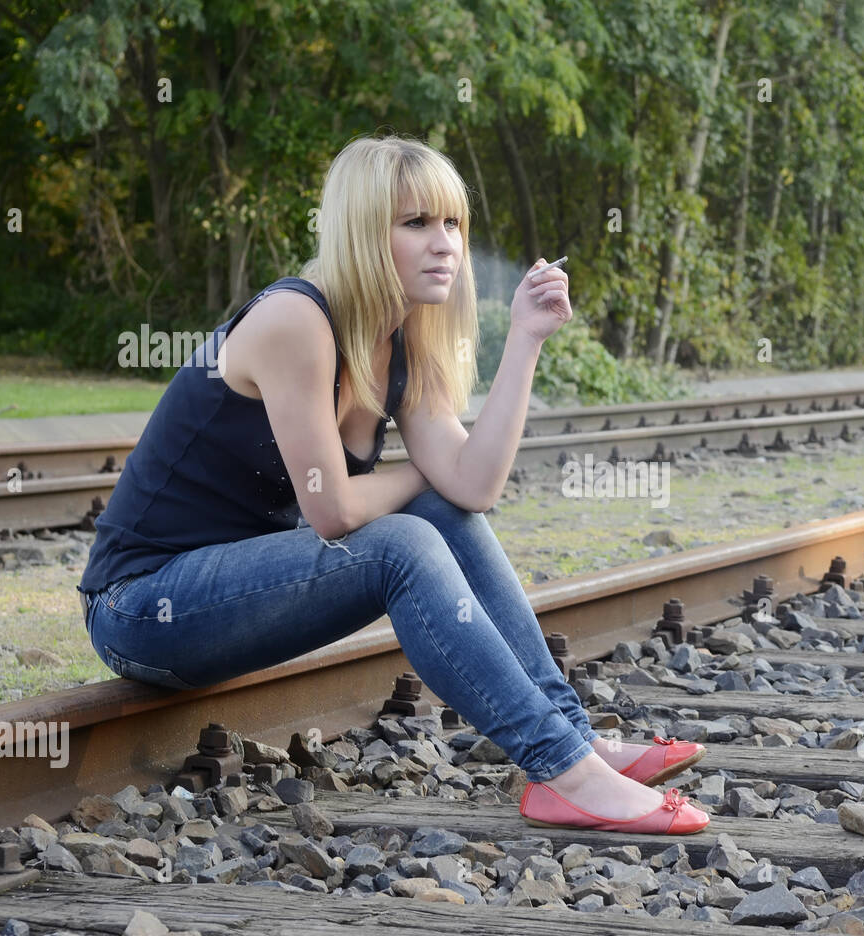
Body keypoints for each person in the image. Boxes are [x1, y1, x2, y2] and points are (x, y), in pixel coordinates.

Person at [75, 133, 708, 836]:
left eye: (452, 225)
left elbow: (473, 486)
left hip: (232, 592)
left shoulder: (401, 338)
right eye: (415, 224)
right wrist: (419, 479)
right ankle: (567, 772)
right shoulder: (296, 321)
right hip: (141, 607)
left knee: (436, 508)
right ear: (362, 234)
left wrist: (526, 339)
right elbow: (335, 510)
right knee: (404, 538)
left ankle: (574, 739)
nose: (444, 244)